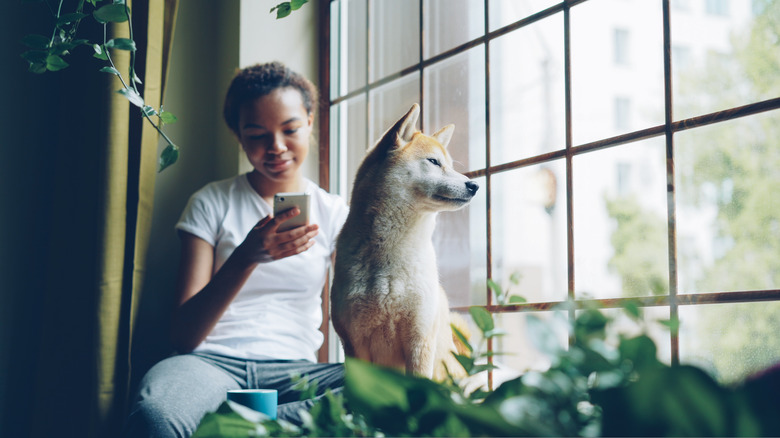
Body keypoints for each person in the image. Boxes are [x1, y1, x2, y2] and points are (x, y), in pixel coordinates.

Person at [123, 61, 349, 437]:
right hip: (208, 364)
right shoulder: (212, 201)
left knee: (390, 391)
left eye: (290, 129)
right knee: (157, 416)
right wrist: (246, 257)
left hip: (294, 370)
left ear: (310, 121)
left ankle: (242, 427)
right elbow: (183, 336)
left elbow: (356, 309)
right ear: (238, 135)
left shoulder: (335, 212)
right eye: (257, 134)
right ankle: (255, 426)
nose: (276, 147)